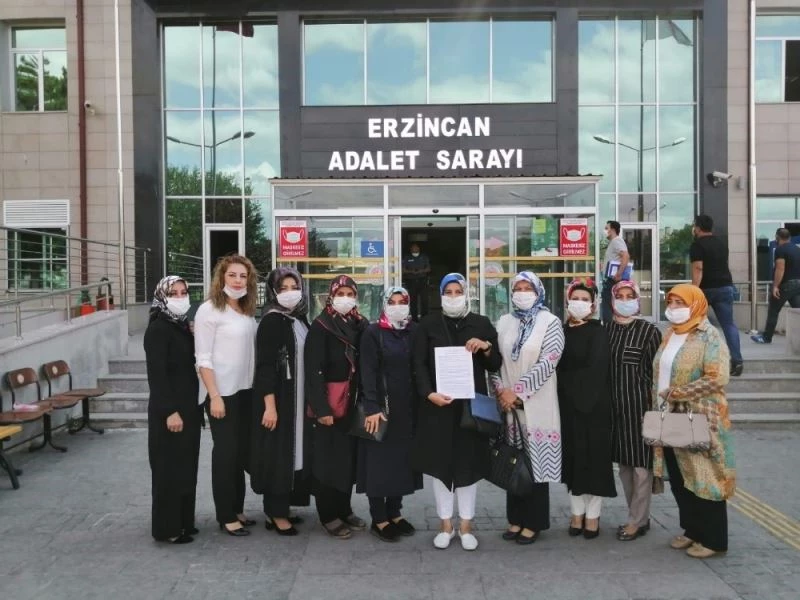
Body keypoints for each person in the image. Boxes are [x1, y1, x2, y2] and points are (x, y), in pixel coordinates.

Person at [412, 273, 502, 551]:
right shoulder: (427, 324)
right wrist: (429, 393)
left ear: (467, 293)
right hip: (438, 407)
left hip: (470, 409)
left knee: (468, 465)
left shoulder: (481, 323)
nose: (453, 296)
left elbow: (495, 364)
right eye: (448, 292)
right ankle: (445, 525)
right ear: (441, 295)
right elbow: (418, 363)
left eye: (458, 291)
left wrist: (486, 347)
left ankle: (465, 525)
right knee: (441, 466)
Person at [653, 284, 735, 559]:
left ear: (696, 304)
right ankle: (692, 530)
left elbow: (717, 377)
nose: (674, 307)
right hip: (670, 415)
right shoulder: (671, 333)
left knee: (705, 478)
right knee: (681, 477)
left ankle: (714, 539)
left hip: (700, 417)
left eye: (680, 302)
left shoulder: (709, 336)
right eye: (671, 302)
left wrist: (678, 393)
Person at [491, 272, 564, 545]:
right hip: (508, 406)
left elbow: (549, 361)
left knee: (535, 466)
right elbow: (495, 361)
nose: (522, 293)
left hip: (537, 403)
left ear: (538, 291)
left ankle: (533, 522)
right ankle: (515, 518)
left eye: (527, 288)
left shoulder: (550, 322)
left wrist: (518, 392)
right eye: (517, 288)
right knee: (512, 462)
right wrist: (501, 390)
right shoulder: (504, 321)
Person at [195, 254, 258, 537]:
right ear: (221, 277)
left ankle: (238, 509)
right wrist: (215, 396)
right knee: (225, 453)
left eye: (243, 276)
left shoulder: (246, 310)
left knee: (240, 453)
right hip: (222, 393)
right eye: (232, 275)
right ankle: (226, 515)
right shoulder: (209, 310)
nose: (238, 280)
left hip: (246, 391)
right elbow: (203, 358)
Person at [357, 286, 423, 542]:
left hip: (408, 409)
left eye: (402, 301)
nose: (397, 306)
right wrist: (371, 407)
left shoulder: (414, 331)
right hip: (381, 410)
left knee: (401, 463)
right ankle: (379, 518)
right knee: (379, 464)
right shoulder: (373, 332)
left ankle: (395, 512)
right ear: (384, 304)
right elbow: (367, 371)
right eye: (392, 302)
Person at [305, 275, 369, 539]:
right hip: (330, 406)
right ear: (331, 296)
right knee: (327, 462)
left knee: (347, 461)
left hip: (352, 405)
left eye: (349, 293)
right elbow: (313, 370)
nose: (345, 298)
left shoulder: (360, 324)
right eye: (340, 293)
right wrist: (321, 409)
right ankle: (328, 514)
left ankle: (344, 508)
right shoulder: (321, 326)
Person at [251, 267, 311, 536]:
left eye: (294, 287)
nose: (290, 293)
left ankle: (283, 507)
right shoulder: (272, 321)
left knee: (293, 453)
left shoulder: (299, 319)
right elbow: (264, 366)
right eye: (283, 288)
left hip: (298, 399)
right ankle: (275, 512)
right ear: (273, 291)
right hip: (280, 400)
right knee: (277, 455)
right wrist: (270, 406)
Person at [557, 278, 616, 539]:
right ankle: (576, 514)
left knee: (594, 462)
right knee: (573, 462)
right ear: (567, 301)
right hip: (567, 407)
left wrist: (571, 385)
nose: (579, 303)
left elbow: (596, 369)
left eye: (585, 299)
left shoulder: (598, 331)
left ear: (593, 305)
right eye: (575, 298)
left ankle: (593, 516)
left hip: (594, 408)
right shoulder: (560, 331)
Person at [145, 276, 201, 544]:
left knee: (186, 466)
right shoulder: (158, 329)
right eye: (173, 294)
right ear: (162, 298)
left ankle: (184, 522)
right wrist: (169, 411)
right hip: (169, 411)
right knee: (168, 470)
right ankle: (167, 528)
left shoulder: (180, 325)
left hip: (188, 407)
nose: (180, 298)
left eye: (183, 292)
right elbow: (157, 375)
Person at [606, 280, 662, 542]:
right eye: (620, 295)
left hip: (640, 409)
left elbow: (656, 374)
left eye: (630, 296)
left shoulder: (649, 332)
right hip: (614, 411)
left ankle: (637, 521)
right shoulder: (606, 330)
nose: (625, 300)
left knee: (641, 467)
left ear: (638, 300)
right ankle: (639, 516)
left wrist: (654, 409)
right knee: (625, 467)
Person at [690, 214, 743, 376]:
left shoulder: (697, 245)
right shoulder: (722, 243)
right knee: (728, 325)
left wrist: (694, 291)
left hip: (705, 289)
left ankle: (699, 362)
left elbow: (698, 269)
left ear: (698, 228)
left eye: (695, 226)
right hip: (725, 287)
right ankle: (737, 361)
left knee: (697, 325)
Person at [751, 228, 800, 344]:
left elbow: (780, 268)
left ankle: (766, 337)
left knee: (773, 310)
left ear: (777, 237)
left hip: (786, 285)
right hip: (797, 284)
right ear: (789, 237)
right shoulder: (797, 249)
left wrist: (775, 286)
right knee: (798, 311)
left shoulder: (780, 250)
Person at [600, 221, 630, 324]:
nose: (604, 230)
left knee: (608, 307)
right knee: (608, 306)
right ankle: (610, 327)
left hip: (613, 281)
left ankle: (609, 329)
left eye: (606, 228)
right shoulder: (613, 242)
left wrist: (619, 273)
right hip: (610, 280)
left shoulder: (617, 241)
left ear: (612, 230)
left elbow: (625, 256)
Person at [402, 242, 431, 321]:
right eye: (413, 247)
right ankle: (414, 319)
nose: (415, 248)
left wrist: (420, 271)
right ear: (410, 249)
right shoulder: (407, 258)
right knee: (413, 301)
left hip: (422, 281)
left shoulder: (424, 257)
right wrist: (412, 272)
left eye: (416, 247)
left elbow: (428, 268)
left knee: (424, 300)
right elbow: (403, 270)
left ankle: (425, 319)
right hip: (411, 282)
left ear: (419, 248)